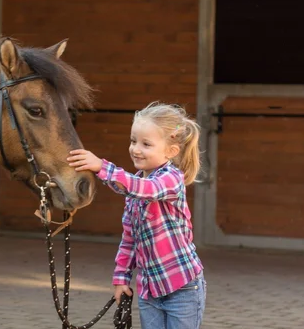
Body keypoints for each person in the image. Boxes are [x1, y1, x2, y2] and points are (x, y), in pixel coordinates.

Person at [67, 101, 206, 329]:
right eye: (133, 141)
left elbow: (147, 190)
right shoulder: (134, 187)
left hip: (183, 288)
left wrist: (101, 166)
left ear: (171, 151)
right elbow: (130, 240)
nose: (136, 149)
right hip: (149, 290)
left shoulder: (171, 179)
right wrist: (121, 278)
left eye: (146, 144)